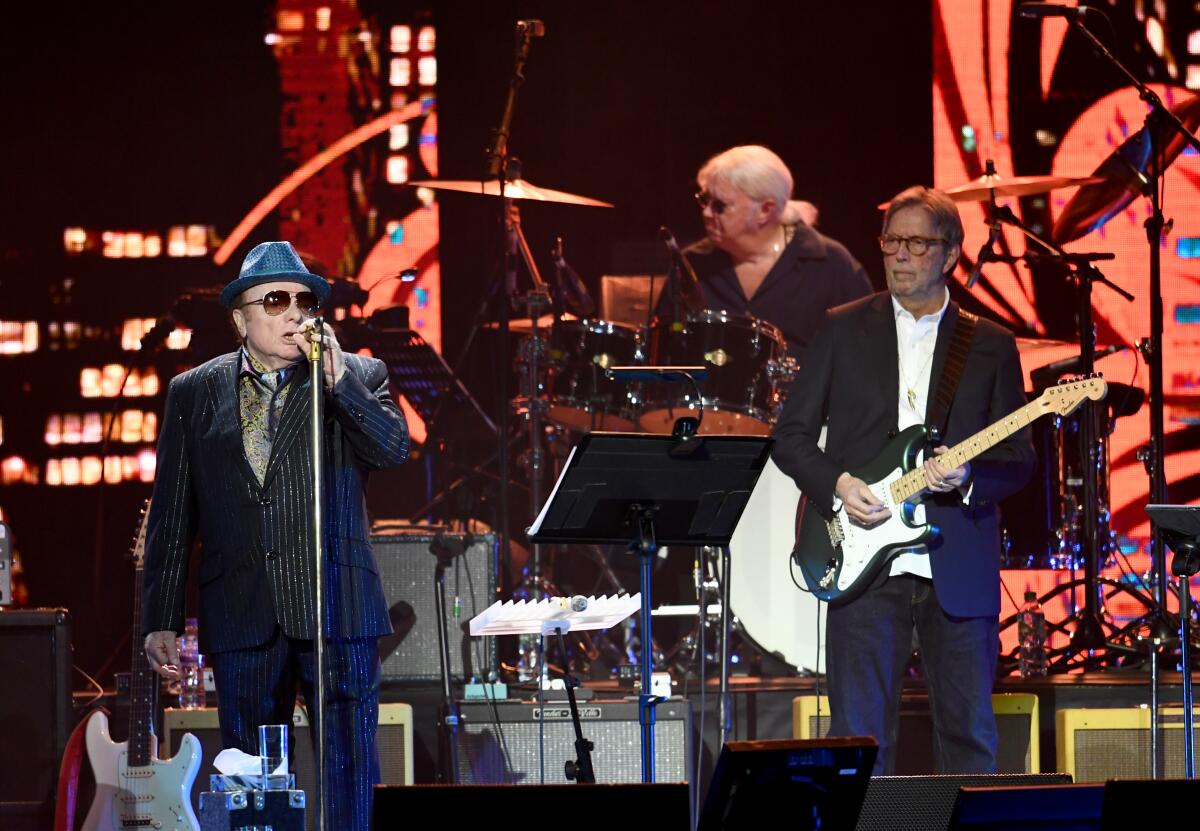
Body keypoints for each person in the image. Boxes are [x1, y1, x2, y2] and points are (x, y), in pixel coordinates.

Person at [141, 240, 409, 828]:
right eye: (277, 300)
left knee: (350, 773)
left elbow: (393, 450)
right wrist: (158, 615)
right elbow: (172, 513)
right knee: (253, 786)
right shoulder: (194, 391)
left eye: (305, 301)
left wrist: (339, 382)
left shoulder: (357, 374)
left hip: (335, 606)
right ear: (240, 317)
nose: (295, 313)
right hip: (241, 609)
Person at [771, 186, 1035, 774]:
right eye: (892, 241)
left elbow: (1019, 459)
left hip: (957, 563)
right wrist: (839, 484)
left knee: (970, 740)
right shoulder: (841, 329)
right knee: (859, 747)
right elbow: (788, 437)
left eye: (917, 243)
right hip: (862, 565)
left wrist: (968, 477)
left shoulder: (990, 343)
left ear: (950, 255)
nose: (900, 255)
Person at [677, 144, 873, 362]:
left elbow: (866, 355)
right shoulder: (690, 265)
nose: (705, 212)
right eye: (704, 200)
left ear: (765, 210)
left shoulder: (832, 266)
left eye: (719, 206)